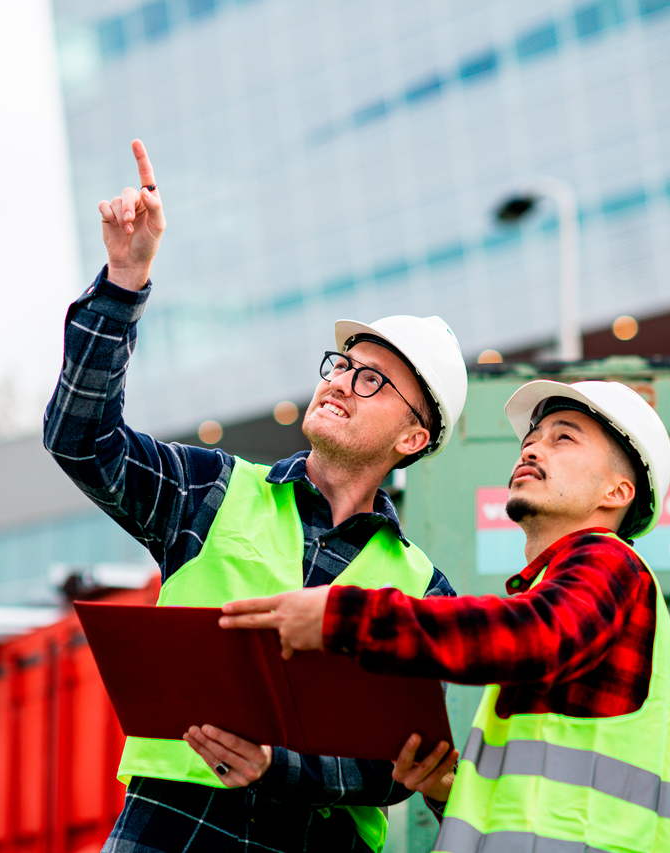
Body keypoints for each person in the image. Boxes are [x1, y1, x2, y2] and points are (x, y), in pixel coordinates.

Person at [43, 139, 469, 853]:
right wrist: (124, 280)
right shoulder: (210, 490)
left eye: (372, 380)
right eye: (342, 364)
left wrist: (282, 767)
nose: (337, 380)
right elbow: (80, 439)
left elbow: (400, 768)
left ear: (414, 438)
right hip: (170, 828)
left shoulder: (427, 590)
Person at [221, 380, 670, 853]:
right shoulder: (565, 602)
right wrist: (448, 787)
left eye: (562, 437)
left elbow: (532, 635)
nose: (531, 448)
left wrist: (342, 616)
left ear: (618, 490)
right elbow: (530, 806)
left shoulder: (608, 562)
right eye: (531, 438)